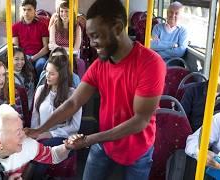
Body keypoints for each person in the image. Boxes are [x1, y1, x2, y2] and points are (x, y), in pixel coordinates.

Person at [25, 0, 166, 179]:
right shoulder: (101, 65)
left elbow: (141, 120)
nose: (91, 43)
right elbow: (74, 102)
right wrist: (39, 129)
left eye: (96, 36)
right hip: (105, 143)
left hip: (136, 148)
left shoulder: (151, 64)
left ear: (117, 28)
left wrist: (91, 139)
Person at [0, 104, 71, 180]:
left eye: (21, 128)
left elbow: (52, 155)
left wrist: (68, 146)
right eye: (18, 132)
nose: (24, 134)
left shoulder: (25, 144)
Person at [31, 47, 82, 144]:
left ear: (61, 75)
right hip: (40, 137)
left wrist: (50, 134)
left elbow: (75, 126)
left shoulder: (73, 94)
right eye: (46, 72)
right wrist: (35, 134)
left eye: (52, 74)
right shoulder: (40, 90)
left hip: (62, 139)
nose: (47, 76)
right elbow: (35, 118)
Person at [12, 0, 49, 78]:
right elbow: (16, 48)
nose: (26, 12)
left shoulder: (42, 26)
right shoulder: (15, 27)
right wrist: (23, 58)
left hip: (39, 56)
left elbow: (46, 48)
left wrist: (33, 58)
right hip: (23, 56)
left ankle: (38, 87)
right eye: (24, 10)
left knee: (41, 64)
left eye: (29, 9)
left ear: (34, 11)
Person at [13, 46, 36, 110]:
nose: (20, 62)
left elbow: (30, 96)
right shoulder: (5, 76)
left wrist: (27, 111)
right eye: (16, 59)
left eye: (22, 59)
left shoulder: (29, 76)